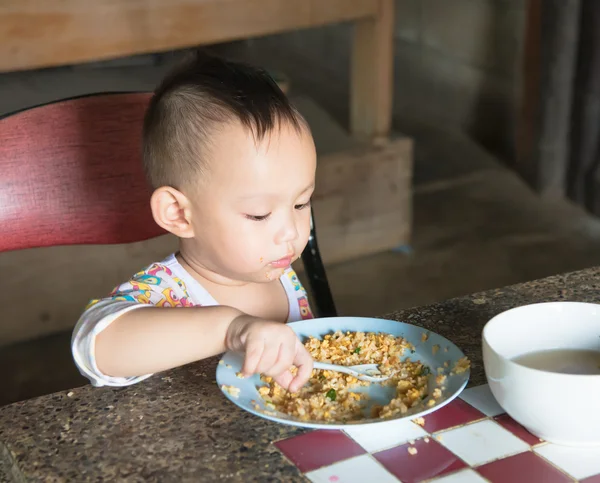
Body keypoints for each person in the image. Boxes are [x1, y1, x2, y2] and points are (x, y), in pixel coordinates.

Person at [71, 52, 317, 394]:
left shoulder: (278, 273)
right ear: (178, 213)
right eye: (260, 214)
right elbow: (96, 346)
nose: (291, 231)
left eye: (301, 203)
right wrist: (231, 330)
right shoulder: (165, 293)